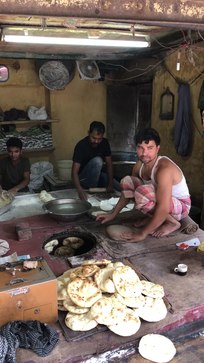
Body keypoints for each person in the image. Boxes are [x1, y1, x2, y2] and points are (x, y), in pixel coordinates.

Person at [96, 128, 191, 242]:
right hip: (162, 201)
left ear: (157, 148)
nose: (144, 153)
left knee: (143, 193)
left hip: (181, 205)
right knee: (128, 181)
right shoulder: (139, 165)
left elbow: (164, 207)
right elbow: (128, 192)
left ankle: (171, 223)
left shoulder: (164, 169)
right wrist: (113, 214)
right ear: (136, 148)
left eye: (150, 148)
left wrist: (143, 233)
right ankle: (153, 218)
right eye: (140, 148)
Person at [72, 121, 119, 200]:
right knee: (98, 161)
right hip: (83, 178)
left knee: (119, 187)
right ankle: (93, 194)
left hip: (98, 175)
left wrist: (110, 184)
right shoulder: (81, 146)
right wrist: (79, 190)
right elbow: (74, 172)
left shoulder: (104, 143)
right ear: (88, 133)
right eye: (94, 138)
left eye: (99, 139)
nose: (96, 141)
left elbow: (109, 164)